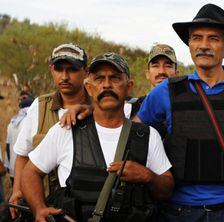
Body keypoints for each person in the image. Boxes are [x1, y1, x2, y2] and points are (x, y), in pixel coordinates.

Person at [136, 4, 224, 221]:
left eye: (213, 39)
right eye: (197, 38)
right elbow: (132, 135)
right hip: (178, 211)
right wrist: (86, 108)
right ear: (189, 45)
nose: (204, 45)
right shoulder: (166, 91)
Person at [20, 52, 174, 222]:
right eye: (99, 79)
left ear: (128, 86)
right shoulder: (66, 130)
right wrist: (39, 209)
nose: (107, 85)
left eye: (115, 78)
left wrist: (148, 176)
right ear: (89, 87)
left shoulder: (147, 136)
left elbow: (166, 189)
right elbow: (30, 172)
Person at [9, 43, 91, 218]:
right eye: (59, 69)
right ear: (51, 70)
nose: (64, 76)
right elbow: (23, 155)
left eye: (72, 69)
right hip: (42, 205)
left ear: (86, 72)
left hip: (84, 208)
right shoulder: (39, 107)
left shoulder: (99, 108)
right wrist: (17, 190)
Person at [129, 43, 179, 122]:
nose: (161, 71)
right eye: (155, 66)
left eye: (168, 66)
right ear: (147, 74)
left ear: (177, 74)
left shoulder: (185, 107)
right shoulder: (131, 108)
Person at [6, 92, 34, 185]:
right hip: (26, 169)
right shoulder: (29, 122)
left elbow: (7, 146)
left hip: (13, 169)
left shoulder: (12, 123)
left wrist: (10, 165)